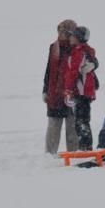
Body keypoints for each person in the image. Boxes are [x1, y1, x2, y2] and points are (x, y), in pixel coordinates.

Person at [43, 20, 80, 155]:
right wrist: (45, 90)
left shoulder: (77, 48)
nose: (60, 34)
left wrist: (94, 64)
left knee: (72, 128)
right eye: (59, 31)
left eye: (63, 32)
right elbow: (48, 71)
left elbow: (90, 57)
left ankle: (74, 154)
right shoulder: (54, 47)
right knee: (53, 127)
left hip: (72, 94)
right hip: (55, 95)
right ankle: (49, 155)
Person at [64, 26, 99, 151]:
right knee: (82, 120)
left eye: (72, 35)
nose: (70, 37)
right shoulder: (82, 50)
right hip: (84, 91)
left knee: (81, 121)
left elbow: (73, 72)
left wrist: (68, 89)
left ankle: (85, 148)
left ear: (78, 38)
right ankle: (85, 147)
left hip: (82, 91)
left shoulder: (79, 52)